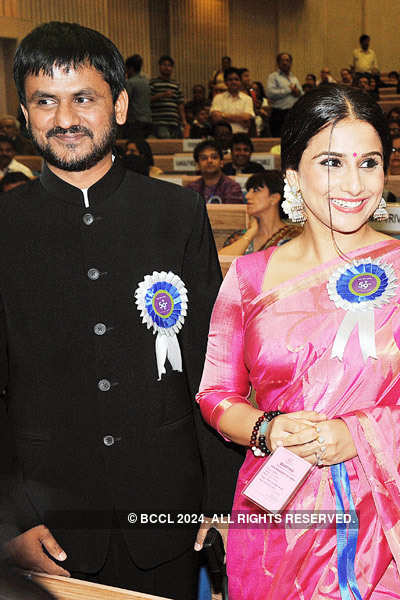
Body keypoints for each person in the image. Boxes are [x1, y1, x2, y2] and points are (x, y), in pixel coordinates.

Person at [0, 21, 243, 600]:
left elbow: (213, 365)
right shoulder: (5, 227)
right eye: (45, 102)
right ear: (24, 113)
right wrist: (8, 521)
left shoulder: (176, 213)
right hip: (48, 520)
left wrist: (221, 499)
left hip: (168, 514)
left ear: (121, 104)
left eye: (84, 98)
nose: (65, 119)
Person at [197, 84, 400, 598]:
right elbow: (215, 394)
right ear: (292, 174)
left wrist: (362, 434)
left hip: (384, 522)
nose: (354, 183)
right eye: (331, 161)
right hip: (275, 521)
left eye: (370, 162)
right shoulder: (248, 277)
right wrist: (270, 428)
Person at [220, 170, 301, 255]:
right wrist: (250, 233)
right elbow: (222, 262)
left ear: (274, 198)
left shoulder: (295, 235)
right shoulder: (240, 236)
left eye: (256, 190)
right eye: (248, 191)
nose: (247, 196)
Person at [150, 54, 189, 139]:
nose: (167, 68)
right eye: (164, 65)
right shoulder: (153, 82)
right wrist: (162, 95)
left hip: (174, 121)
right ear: (159, 67)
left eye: (169, 66)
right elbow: (148, 100)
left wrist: (183, 120)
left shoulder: (175, 85)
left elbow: (180, 104)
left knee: (174, 144)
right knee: (165, 139)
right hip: (159, 121)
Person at [266, 52, 302, 137]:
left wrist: (297, 92)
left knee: (293, 139)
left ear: (291, 63)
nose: (285, 62)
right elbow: (270, 93)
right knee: (278, 141)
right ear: (278, 63)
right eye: (282, 60)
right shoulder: (273, 77)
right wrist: (289, 90)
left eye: (287, 60)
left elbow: (301, 93)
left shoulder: (294, 78)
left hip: (293, 114)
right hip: (279, 114)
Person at [210, 67, 255, 135]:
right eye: (230, 80)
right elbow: (215, 118)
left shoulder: (247, 99)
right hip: (222, 137)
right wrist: (240, 119)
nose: (233, 82)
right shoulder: (218, 98)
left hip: (242, 136)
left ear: (240, 82)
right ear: (225, 82)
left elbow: (247, 118)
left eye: (236, 79)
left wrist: (223, 115)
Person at [123, 54, 152, 140]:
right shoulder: (147, 82)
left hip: (134, 121)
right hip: (148, 119)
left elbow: (125, 101)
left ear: (131, 68)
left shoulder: (130, 83)